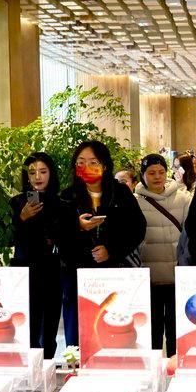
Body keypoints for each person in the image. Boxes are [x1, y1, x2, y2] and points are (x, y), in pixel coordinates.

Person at [60, 141, 147, 346]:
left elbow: (137, 228)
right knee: (80, 336)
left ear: (105, 166)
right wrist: (78, 227)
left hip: (114, 273)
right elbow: (58, 236)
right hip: (78, 276)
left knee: (113, 332)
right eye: (81, 162)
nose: (86, 167)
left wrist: (112, 251)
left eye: (93, 162)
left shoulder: (121, 192)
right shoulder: (67, 196)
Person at [135, 154, 192, 356]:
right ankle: (154, 367)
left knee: (177, 326)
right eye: (151, 173)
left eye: (161, 172)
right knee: (153, 328)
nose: (157, 177)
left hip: (177, 274)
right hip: (148, 275)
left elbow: (189, 234)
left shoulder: (182, 198)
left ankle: (175, 365)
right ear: (143, 175)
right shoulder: (134, 201)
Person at [10, 152, 63, 359]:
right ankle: (29, 366)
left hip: (52, 269)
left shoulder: (61, 202)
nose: (38, 177)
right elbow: (8, 238)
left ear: (51, 173)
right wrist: (21, 218)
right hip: (25, 270)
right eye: (32, 173)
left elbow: (66, 236)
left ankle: (48, 364)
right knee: (28, 324)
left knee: (50, 325)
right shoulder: (16, 202)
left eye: (43, 171)